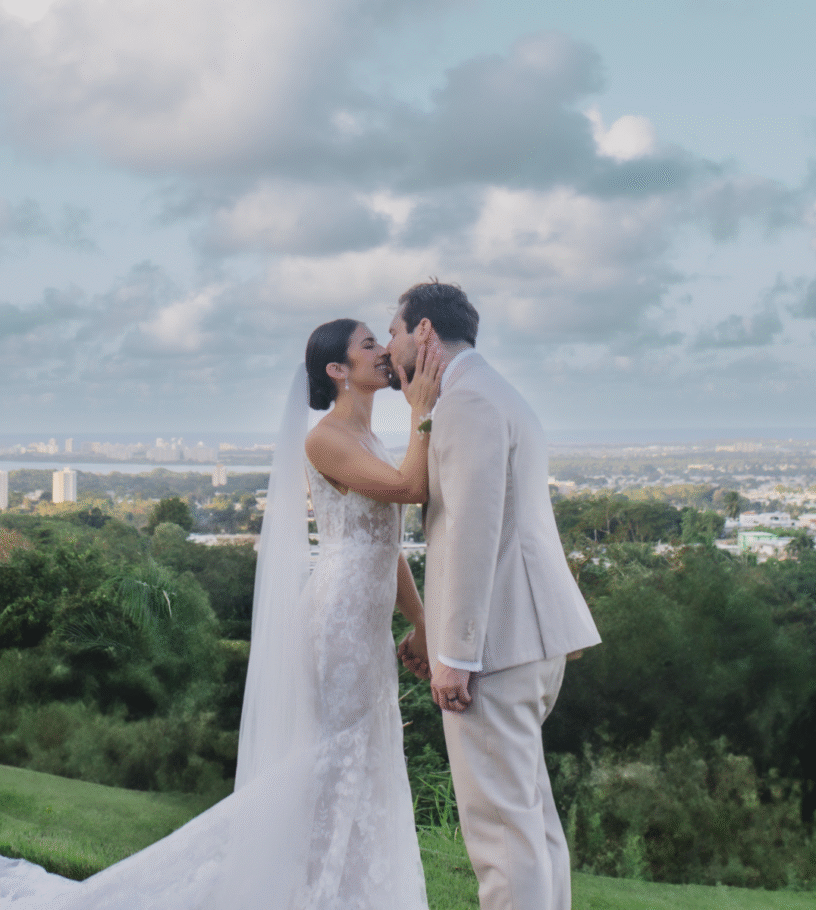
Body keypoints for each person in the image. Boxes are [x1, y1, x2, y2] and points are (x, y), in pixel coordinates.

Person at [0, 317, 440, 910]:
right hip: (338, 620)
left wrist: (421, 622)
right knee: (336, 758)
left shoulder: (370, 441)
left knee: (361, 755)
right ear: (338, 370)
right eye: (369, 344)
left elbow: (386, 548)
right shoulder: (325, 440)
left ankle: (347, 889)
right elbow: (411, 488)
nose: (385, 351)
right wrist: (422, 409)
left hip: (365, 618)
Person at [389, 281, 602, 910]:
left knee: (501, 837)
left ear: (424, 331)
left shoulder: (468, 402)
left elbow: (471, 532)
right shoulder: (497, 392)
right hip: (528, 639)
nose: (391, 347)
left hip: (495, 648)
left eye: (394, 332)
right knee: (530, 822)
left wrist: (455, 654)